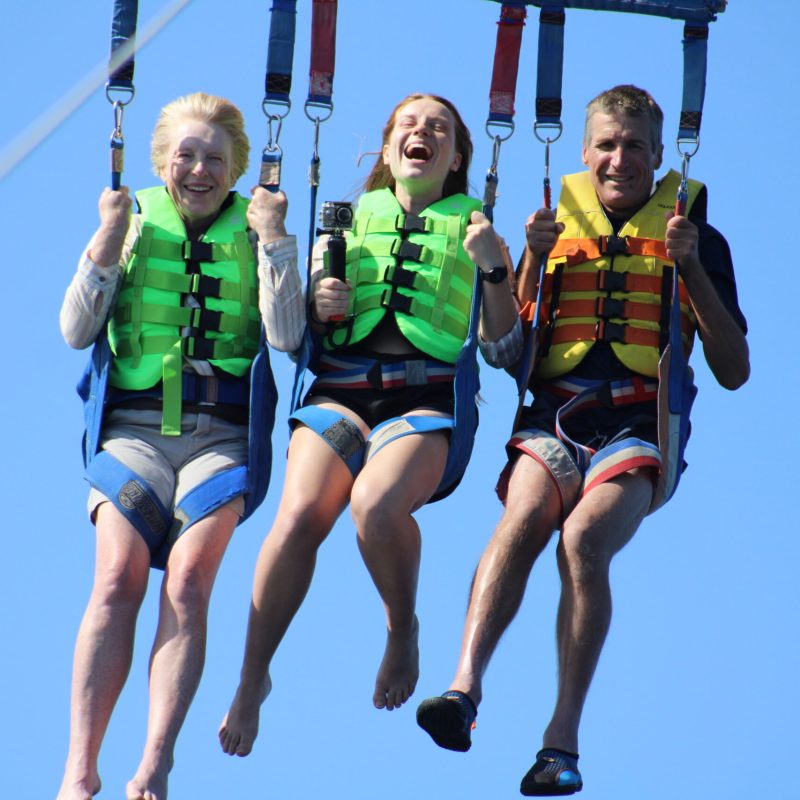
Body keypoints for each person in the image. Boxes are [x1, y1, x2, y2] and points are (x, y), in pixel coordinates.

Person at [416, 85, 749, 796]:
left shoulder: (695, 234)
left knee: (584, 541)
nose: (619, 159)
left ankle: (560, 741)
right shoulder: (553, 225)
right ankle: (463, 690)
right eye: (607, 145)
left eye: (635, 147)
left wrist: (690, 267)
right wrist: (526, 264)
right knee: (523, 518)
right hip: (554, 414)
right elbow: (507, 352)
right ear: (584, 150)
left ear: (659, 155)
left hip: (638, 425)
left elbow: (734, 369)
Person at [218, 93, 521, 757]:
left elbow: (505, 350)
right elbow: (290, 338)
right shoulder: (347, 224)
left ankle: (401, 629)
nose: (422, 132)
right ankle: (251, 677)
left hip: (424, 402)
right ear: (388, 149)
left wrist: (496, 268)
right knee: (299, 516)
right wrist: (318, 302)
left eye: (438, 127)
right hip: (340, 392)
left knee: (375, 510)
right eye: (409, 124)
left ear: (456, 158)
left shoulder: (479, 232)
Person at [57, 92, 304, 800]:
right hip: (134, 433)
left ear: (236, 169)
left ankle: (155, 762)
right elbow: (75, 331)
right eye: (186, 156)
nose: (199, 171)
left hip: (220, 441)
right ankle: (79, 770)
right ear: (162, 160)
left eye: (214, 160)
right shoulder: (130, 222)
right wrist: (106, 240)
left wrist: (277, 241)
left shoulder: (258, 229)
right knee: (117, 578)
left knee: (190, 581)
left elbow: (288, 337)